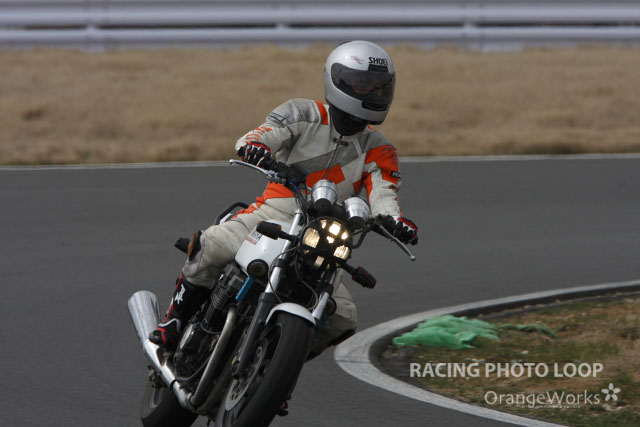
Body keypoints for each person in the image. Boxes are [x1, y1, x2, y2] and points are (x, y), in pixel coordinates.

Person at [150, 40, 418, 363]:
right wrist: (255, 148)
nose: (371, 92)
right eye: (362, 84)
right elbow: (263, 134)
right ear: (339, 80)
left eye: (378, 87)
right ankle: (174, 320)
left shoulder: (381, 149)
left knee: (343, 317)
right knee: (211, 245)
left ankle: (273, 364)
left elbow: (384, 194)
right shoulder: (303, 113)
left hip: (323, 239)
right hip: (271, 215)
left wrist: (393, 221)